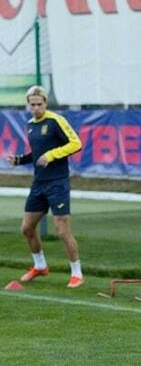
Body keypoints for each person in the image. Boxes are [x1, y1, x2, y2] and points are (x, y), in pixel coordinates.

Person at [5, 86, 84, 287]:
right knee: (27, 228)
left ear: (46, 103)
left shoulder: (56, 120)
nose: (36, 108)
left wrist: (51, 155)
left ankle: (77, 274)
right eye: (32, 104)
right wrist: (19, 160)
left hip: (57, 183)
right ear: (28, 104)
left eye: (39, 104)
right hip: (39, 183)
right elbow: (37, 153)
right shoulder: (31, 125)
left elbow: (76, 143)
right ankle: (40, 266)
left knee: (62, 230)